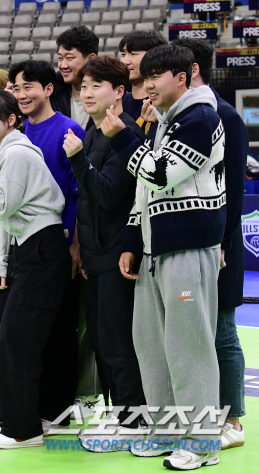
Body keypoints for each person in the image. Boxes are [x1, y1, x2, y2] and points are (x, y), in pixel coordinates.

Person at [104, 44, 225, 469]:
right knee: (151, 345)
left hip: (188, 248)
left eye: (157, 76)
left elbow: (159, 173)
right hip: (156, 251)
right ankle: (165, 431)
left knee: (189, 347)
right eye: (146, 76)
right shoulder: (165, 121)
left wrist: (122, 137)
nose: (148, 84)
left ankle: (204, 443)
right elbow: (146, 190)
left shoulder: (200, 118)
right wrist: (133, 241)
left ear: (185, 76)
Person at [0, 90, 70, 449]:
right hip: (25, 250)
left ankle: (24, 430)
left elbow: (1, 206)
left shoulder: (17, 153)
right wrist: (0, 262)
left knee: (18, 341)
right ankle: (16, 421)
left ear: (11, 120)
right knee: (3, 340)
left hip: (43, 247)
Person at [60, 56, 146, 452]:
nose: (87, 93)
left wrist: (77, 159)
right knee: (99, 339)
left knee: (116, 342)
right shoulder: (92, 133)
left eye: (97, 85)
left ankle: (134, 419)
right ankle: (119, 413)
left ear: (119, 92)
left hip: (117, 256)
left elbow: (110, 195)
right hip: (94, 257)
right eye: (83, 87)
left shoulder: (124, 133)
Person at [174, 37, 249, 450]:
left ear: (191, 71)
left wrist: (222, 242)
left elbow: (233, 189)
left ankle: (233, 418)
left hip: (220, 244)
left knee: (221, 329)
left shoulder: (224, 116)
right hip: (191, 243)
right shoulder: (180, 115)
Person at [8, 60, 83, 429]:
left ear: (49, 89)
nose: (22, 95)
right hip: (21, 247)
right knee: (30, 333)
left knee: (59, 331)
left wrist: (74, 243)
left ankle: (58, 410)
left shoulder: (69, 130)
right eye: (16, 89)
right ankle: (32, 409)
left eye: (29, 87)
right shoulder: (16, 132)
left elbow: (77, 193)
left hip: (58, 245)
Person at [53, 25, 103, 415]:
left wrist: (80, 239)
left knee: (92, 321)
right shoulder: (54, 96)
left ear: (89, 58)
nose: (63, 63)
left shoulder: (106, 103)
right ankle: (69, 391)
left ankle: (87, 394)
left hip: (97, 226)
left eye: (70, 56)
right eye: (60, 56)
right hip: (64, 226)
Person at [119, 30, 168, 135]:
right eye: (123, 54)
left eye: (133, 54)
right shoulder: (120, 101)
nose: (125, 61)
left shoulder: (162, 107)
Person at [53, 26, 99, 130]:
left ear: (91, 59)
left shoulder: (110, 93)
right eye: (60, 58)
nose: (63, 65)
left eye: (69, 58)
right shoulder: (52, 93)